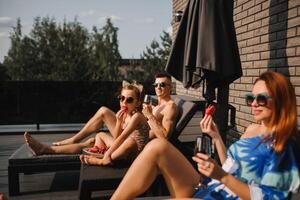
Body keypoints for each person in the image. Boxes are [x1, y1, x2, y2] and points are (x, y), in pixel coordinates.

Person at [110, 71, 300, 200]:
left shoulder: (284, 143)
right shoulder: (251, 129)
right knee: (156, 147)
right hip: (211, 187)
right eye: (251, 98)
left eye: (261, 98)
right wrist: (216, 137)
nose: (253, 104)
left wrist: (223, 177)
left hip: (226, 196)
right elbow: (231, 168)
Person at [24, 81, 150, 165]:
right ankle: (98, 153)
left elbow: (122, 138)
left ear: (138, 103)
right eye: (121, 98)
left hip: (133, 154)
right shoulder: (125, 115)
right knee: (100, 135)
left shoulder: (137, 116)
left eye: (129, 100)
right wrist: (118, 121)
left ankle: (101, 160)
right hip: (122, 151)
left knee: (130, 142)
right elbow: (117, 137)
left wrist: (109, 152)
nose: (124, 103)